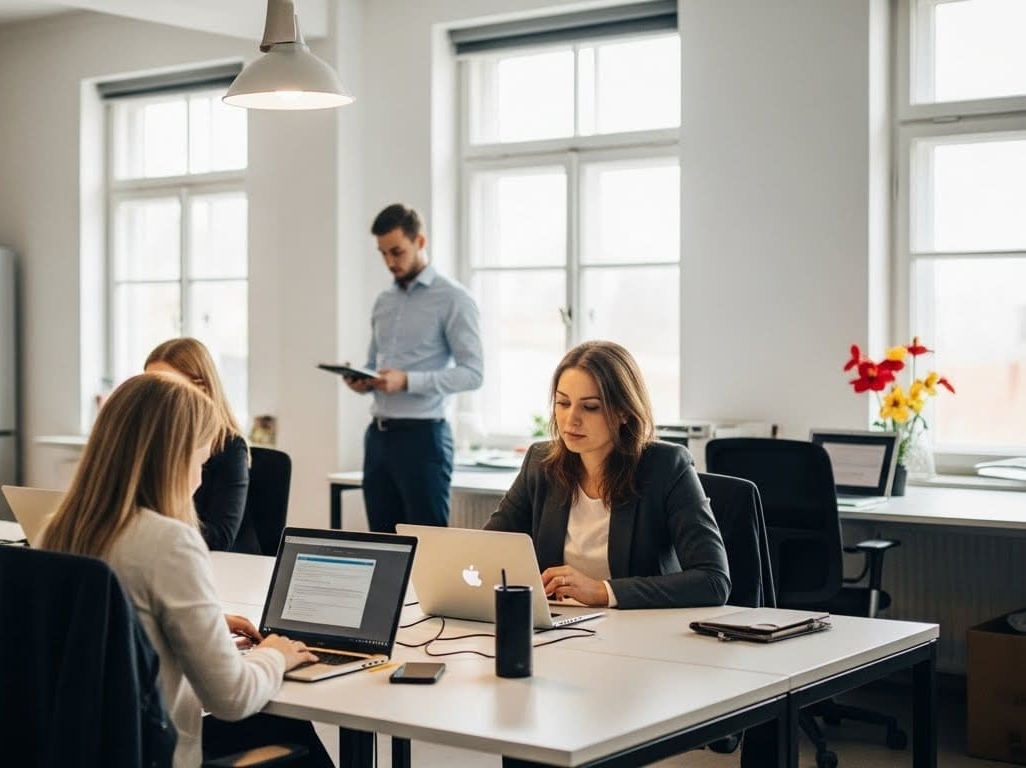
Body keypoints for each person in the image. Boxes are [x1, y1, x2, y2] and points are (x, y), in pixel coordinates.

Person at [41, 374, 332, 768]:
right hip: (154, 753)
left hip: (79, 749)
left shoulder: (56, 531)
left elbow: (112, 637)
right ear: (174, 458)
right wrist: (274, 655)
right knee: (290, 732)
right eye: (201, 460)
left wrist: (199, 625)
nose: (200, 477)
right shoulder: (169, 543)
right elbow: (232, 698)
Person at [483, 340, 730, 608]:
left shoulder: (666, 467)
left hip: (641, 626)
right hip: (562, 622)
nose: (571, 419)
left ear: (624, 411)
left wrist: (603, 591)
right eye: (563, 403)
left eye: (590, 407)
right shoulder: (540, 463)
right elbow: (486, 549)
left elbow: (713, 580)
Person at [345, 203, 483, 532]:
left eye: (397, 251)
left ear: (420, 241)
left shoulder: (454, 299)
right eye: (383, 253)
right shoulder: (383, 301)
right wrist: (362, 379)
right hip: (378, 438)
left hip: (424, 439)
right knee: (382, 546)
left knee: (427, 544)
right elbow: (374, 363)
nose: (390, 262)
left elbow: (473, 373)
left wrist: (408, 381)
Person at [145, 337, 250, 552]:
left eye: (167, 387)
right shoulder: (145, 441)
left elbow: (220, 538)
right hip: (161, 550)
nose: (155, 397)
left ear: (201, 388)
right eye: (149, 386)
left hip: (215, 561)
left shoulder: (229, 447)